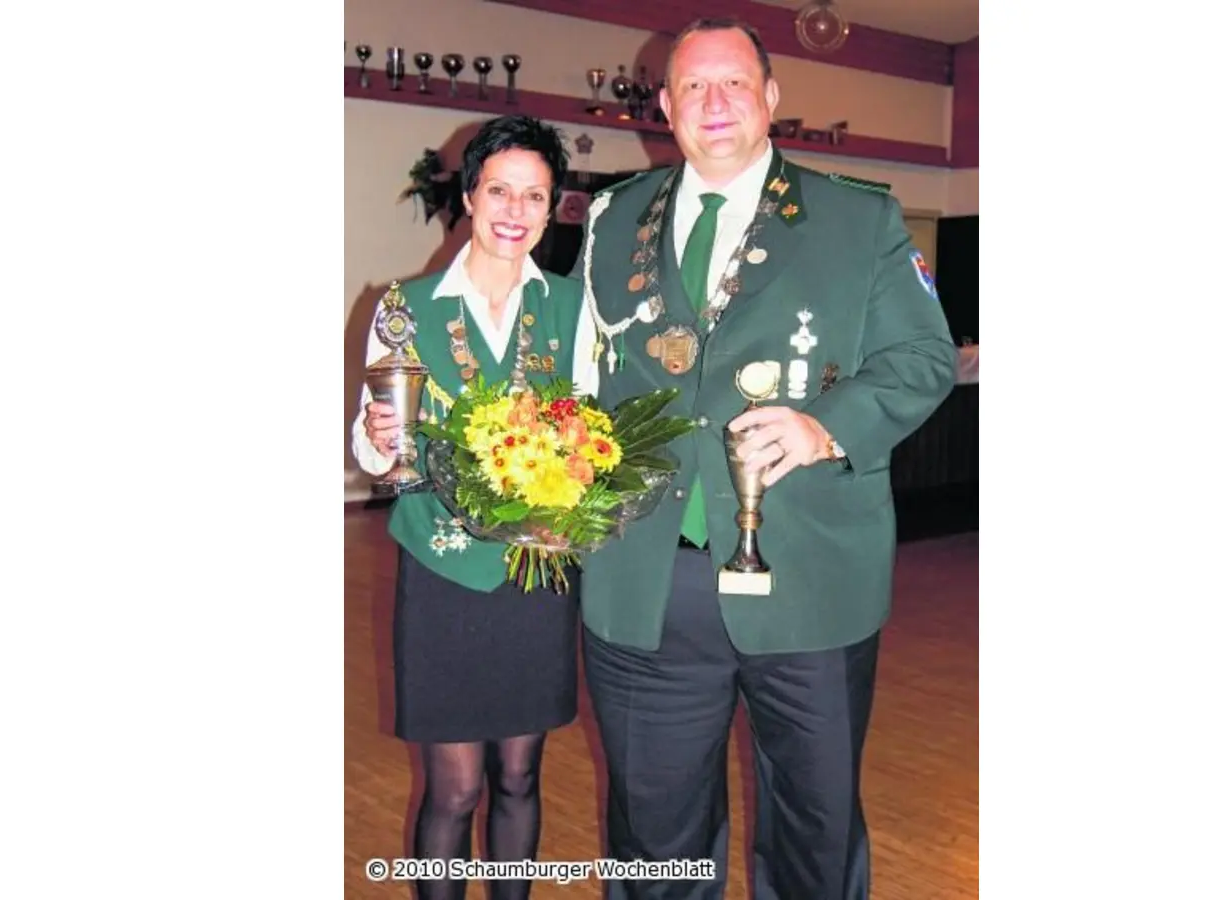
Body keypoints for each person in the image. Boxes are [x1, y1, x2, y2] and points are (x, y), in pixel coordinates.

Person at [568, 18, 961, 900]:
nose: (715, 103)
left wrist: (829, 426)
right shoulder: (610, 215)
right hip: (646, 580)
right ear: (664, 107)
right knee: (653, 836)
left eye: (735, 83)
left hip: (810, 574)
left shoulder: (859, 217)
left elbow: (923, 357)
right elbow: (581, 373)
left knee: (814, 832)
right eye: (694, 87)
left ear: (771, 98)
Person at [351, 114, 598, 900]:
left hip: (536, 569)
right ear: (468, 194)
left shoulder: (572, 308)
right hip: (443, 573)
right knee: (453, 789)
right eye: (499, 190)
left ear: (554, 206)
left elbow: (593, 435)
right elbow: (375, 450)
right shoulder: (403, 307)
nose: (515, 211)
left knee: (521, 775)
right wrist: (379, 436)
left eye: (535, 195)